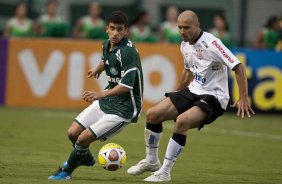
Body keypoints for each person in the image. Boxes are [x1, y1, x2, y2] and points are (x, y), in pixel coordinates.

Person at [127, 10, 254, 182]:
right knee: (153, 115)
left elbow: (238, 67)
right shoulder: (184, 44)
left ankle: (164, 172)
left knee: (182, 122)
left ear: (197, 25)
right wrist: (175, 94)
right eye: (179, 27)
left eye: (186, 27)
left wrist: (243, 98)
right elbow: (188, 72)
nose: (182, 31)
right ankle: (151, 161)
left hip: (214, 96)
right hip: (194, 90)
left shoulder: (212, 44)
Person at [48, 10, 144, 180]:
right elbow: (105, 59)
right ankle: (84, 156)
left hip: (124, 109)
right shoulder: (107, 44)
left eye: (119, 29)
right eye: (112, 28)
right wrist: (97, 69)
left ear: (126, 31)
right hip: (108, 99)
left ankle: (66, 172)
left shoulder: (128, 53)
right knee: (73, 133)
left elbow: (125, 86)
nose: (115, 33)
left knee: (83, 138)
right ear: (106, 28)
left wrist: (100, 94)